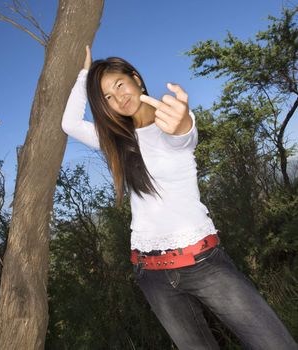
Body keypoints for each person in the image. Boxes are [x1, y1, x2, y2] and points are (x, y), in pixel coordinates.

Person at [61, 45, 298, 350]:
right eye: (107, 97)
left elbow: (182, 135)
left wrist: (182, 124)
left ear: (136, 78)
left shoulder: (171, 123)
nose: (118, 98)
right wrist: (84, 75)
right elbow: (69, 124)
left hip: (204, 264)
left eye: (119, 85)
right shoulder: (116, 141)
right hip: (152, 276)